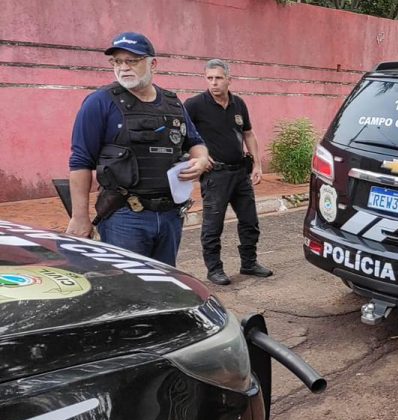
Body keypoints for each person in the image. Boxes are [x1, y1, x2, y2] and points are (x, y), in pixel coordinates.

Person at [66, 32, 211, 266]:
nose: (123, 68)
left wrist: (201, 160)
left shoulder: (173, 104)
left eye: (131, 61)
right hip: (124, 217)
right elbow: (81, 162)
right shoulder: (99, 102)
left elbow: (195, 142)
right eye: (116, 61)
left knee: (164, 286)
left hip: (170, 215)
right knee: (128, 292)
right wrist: (79, 217)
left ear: (153, 63)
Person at [184, 59, 272, 285]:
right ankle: (214, 270)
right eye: (209, 78)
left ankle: (249, 263)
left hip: (240, 174)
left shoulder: (239, 104)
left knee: (250, 221)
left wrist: (257, 165)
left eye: (218, 78)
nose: (213, 83)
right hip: (216, 176)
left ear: (229, 80)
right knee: (213, 226)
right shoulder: (194, 105)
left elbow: (249, 134)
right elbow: (182, 136)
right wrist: (198, 157)